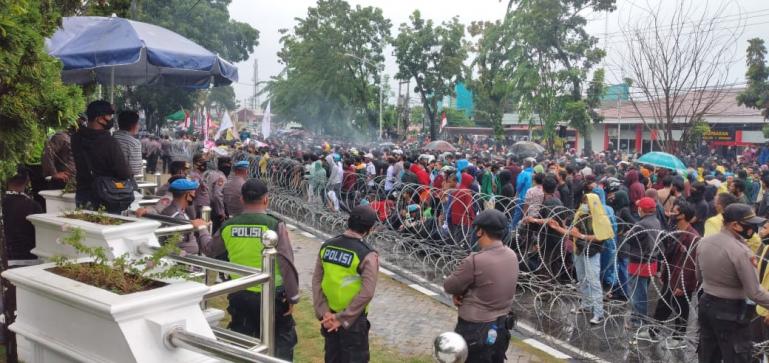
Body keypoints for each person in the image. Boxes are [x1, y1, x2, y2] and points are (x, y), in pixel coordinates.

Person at [201, 179, 299, 360]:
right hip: (272, 295)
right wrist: (293, 296)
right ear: (266, 200)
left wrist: (202, 229)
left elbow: (210, 249)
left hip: (240, 292)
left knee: (243, 342)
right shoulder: (274, 224)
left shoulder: (229, 226)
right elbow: (286, 261)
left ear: (241, 199)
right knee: (280, 342)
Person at [696, 203, 769, 363]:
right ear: (735, 225)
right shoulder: (741, 251)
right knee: (738, 356)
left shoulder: (704, 242)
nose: (753, 229)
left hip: (706, 304)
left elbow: (699, 277)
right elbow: (754, 292)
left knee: (708, 355)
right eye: (750, 225)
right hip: (731, 312)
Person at [444, 209, 519, 363]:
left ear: (480, 231)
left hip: (475, 330)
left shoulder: (475, 260)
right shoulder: (512, 255)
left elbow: (450, 285)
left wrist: (459, 292)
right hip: (501, 328)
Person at [312, 206, 379, 363]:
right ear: (370, 229)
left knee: (332, 357)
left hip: (328, 317)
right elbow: (367, 292)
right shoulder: (367, 254)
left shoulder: (327, 246)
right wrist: (342, 318)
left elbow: (316, 281)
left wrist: (324, 313)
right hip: (353, 321)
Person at [651, 200, 700, 346]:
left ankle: (678, 337)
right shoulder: (676, 230)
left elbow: (691, 266)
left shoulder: (693, 237)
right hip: (670, 277)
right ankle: (653, 330)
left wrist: (683, 284)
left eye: (674, 210)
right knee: (663, 304)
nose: (670, 212)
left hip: (681, 282)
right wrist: (663, 273)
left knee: (681, 308)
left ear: (682, 215)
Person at [71, 100, 133, 213]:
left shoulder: (75, 138)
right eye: (109, 115)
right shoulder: (109, 142)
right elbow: (124, 172)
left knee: (84, 228)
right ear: (99, 118)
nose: (111, 119)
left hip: (82, 193)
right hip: (107, 195)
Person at [620, 196, 660, 337]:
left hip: (639, 262)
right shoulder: (655, 221)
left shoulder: (641, 225)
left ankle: (639, 323)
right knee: (642, 291)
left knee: (638, 295)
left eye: (639, 207)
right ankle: (637, 318)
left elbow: (629, 239)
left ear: (642, 210)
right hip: (651, 262)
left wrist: (628, 233)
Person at [160, 179, 210, 255]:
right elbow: (181, 245)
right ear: (187, 195)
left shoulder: (176, 210)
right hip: (184, 262)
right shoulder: (177, 216)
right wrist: (202, 227)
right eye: (193, 193)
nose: (195, 196)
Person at [2, 169, 42, 264]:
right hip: (29, 258)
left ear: (6, 180)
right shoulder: (34, 205)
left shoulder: (3, 202)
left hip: (6, 258)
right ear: (27, 181)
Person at [41, 123, 77, 191]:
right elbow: (47, 153)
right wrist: (53, 173)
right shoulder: (62, 137)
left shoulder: (76, 138)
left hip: (74, 182)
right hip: (62, 182)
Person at [113, 110, 143, 177]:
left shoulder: (110, 138)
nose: (139, 126)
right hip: (123, 183)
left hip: (103, 182)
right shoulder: (134, 143)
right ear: (133, 125)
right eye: (138, 123)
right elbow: (135, 170)